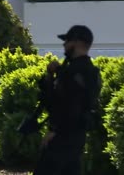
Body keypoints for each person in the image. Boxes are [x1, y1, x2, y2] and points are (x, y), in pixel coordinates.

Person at [34, 25, 101, 175]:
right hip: (78, 138)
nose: (64, 45)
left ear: (76, 43)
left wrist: (54, 131)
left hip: (62, 138)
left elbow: (68, 106)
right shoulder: (92, 73)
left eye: (67, 41)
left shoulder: (71, 73)